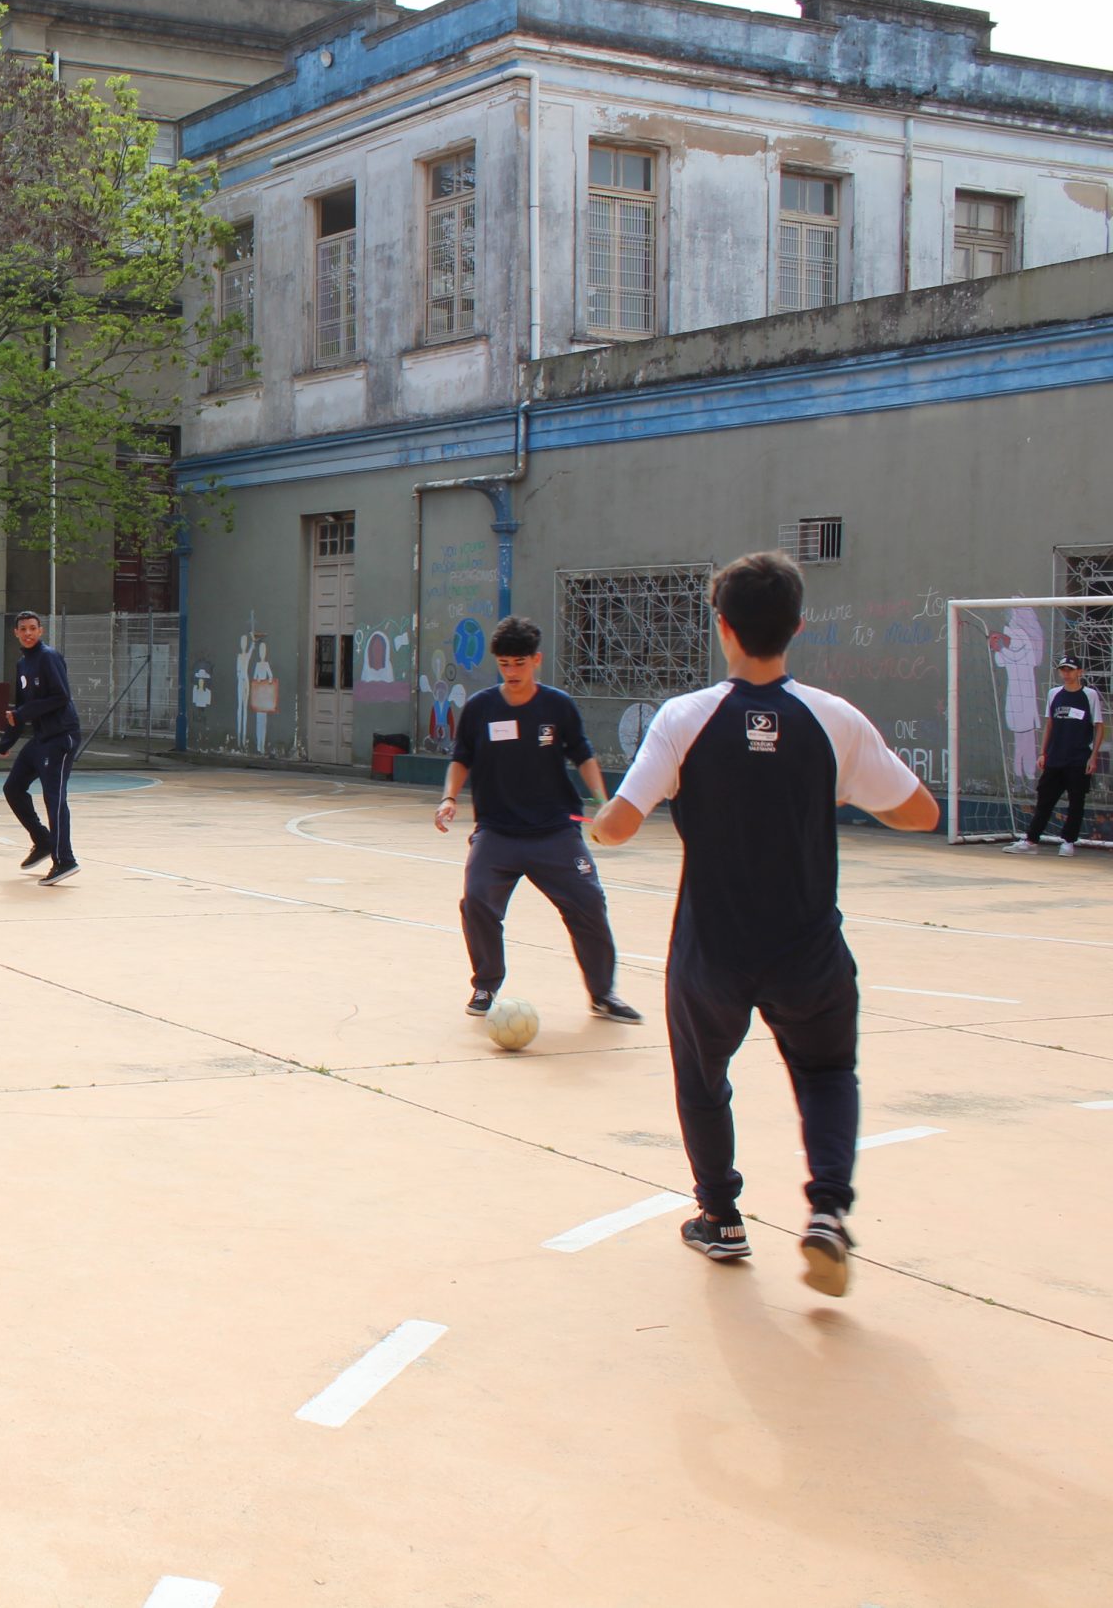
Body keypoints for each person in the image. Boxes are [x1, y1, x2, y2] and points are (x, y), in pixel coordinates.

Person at [594, 552, 938, 1297]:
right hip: (807, 945)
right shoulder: (833, 719)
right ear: (797, 627)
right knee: (824, 1071)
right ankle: (827, 1210)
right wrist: (835, 786)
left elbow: (618, 826)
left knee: (702, 1077)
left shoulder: (685, 717)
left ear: (721, 627)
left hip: (713, 950)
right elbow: (922, 812)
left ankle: (720, 1216)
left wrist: (595, 823)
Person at [434, 615, 641, 1025]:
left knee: (589, 904)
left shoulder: (557, 706)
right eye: (505, 664)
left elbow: (582, 754)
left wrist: (604, 802)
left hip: (555, 831)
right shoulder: (481, 708)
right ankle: (486, 983)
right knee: (476, 901)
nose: (512, 672)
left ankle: (603, 994)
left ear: (536, 661)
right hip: (497, 832)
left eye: (519, 663)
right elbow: (462, 758)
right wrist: (448, 798)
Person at [0, 610, 82, 885]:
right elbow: (21, 708)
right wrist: (8, 740)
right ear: (16, 633)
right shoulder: (23, 664)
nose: (28, 633)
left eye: (33, 628)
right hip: (41, 739)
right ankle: (43, 841)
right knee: (12, 788)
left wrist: (23, 714)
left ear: (41, 631)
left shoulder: (48, 657)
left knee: (53, 796)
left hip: (61, 737)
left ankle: (65, 860)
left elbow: (61, 696)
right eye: (23, 629)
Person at [1008, 656, 1102, 856]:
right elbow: (1050, 724)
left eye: (1070, 669)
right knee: (1045, 799)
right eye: (1063, 669)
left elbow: (1099, 727)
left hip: (1079, 759)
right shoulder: (1054, 694)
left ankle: (1068, 842)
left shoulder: (1089, 695)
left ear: (1080, 672)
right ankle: (1032, 840)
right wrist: (1043, 752)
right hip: (1056, 757)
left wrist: (1093, 756)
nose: (1066, 673)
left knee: (1076, 801)